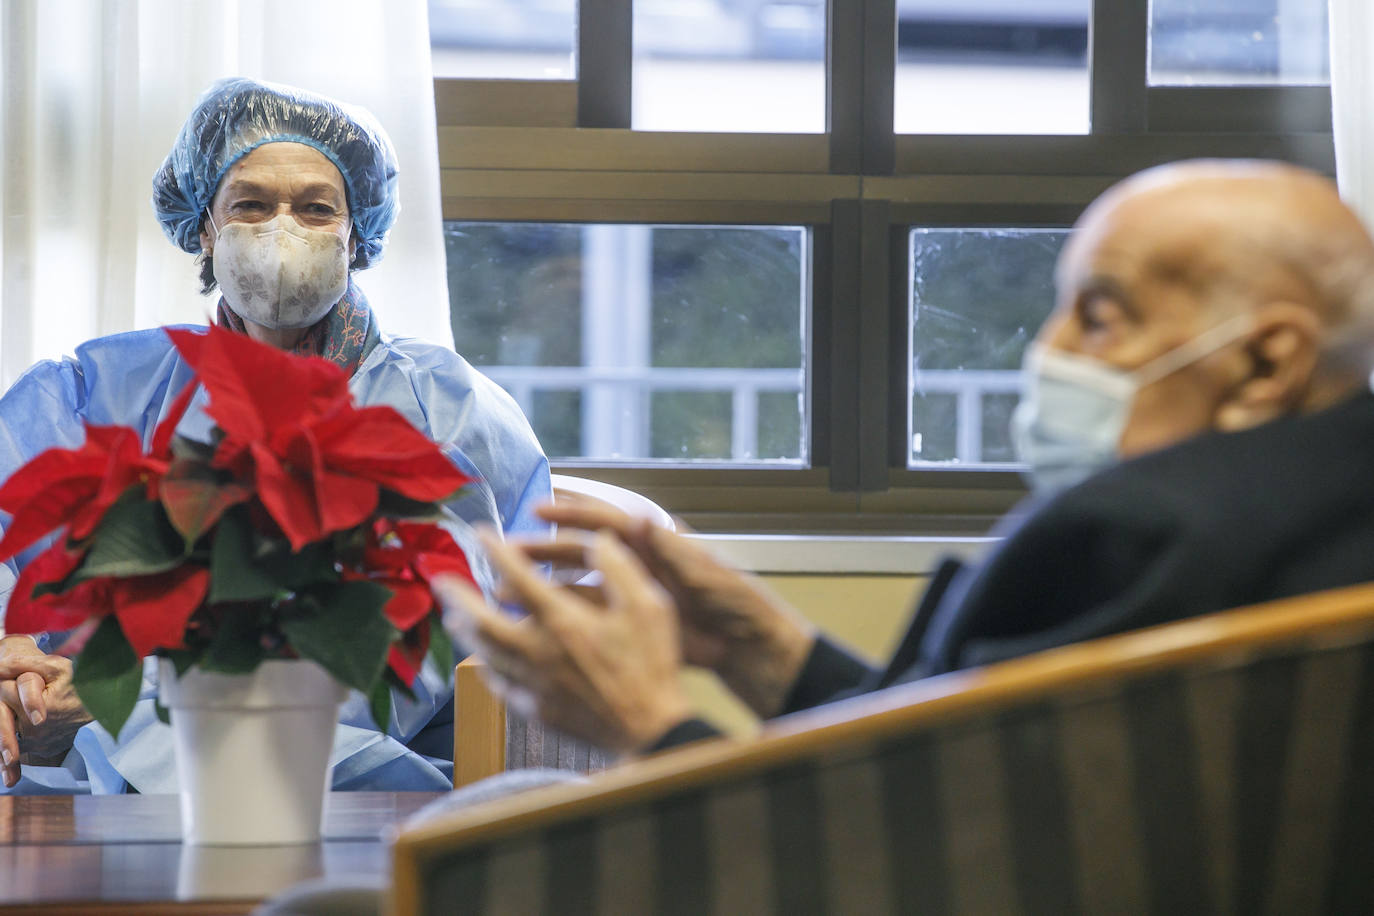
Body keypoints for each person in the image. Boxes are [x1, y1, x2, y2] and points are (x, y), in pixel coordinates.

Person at [435, 159, 1374, 755]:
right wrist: (768, 650)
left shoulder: (1143, 533)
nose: (1046, 352)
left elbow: (906, 862)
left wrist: (645, 723)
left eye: (1100, 314)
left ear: (1268, 363)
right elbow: (964, 775)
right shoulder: (1327, 513)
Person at [0, 78, 552, 792]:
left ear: (358, 234)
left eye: (317, 208)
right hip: (70, 783)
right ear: (204, 227)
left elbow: (396, 668)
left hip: (341, 783)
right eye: (251, 205)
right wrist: (13, 668)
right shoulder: (102, 391)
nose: (281, 231)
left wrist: (123, 698)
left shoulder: (441, 409)